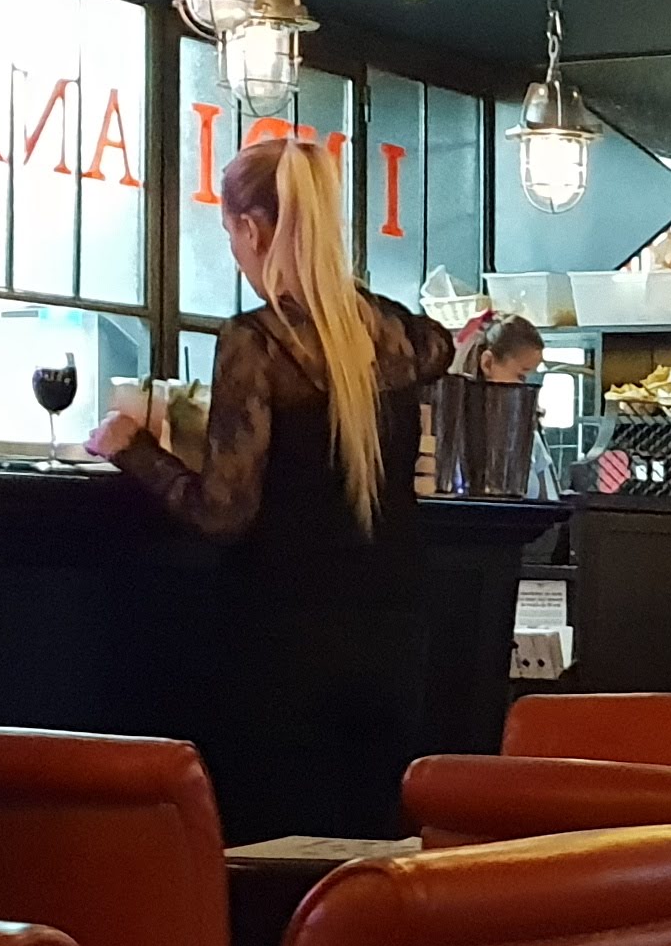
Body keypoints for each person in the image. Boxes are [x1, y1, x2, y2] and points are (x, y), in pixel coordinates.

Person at [92, 136, 457, 833]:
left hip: (287, 637)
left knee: (276, 845)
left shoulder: (256, 343)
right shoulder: (393, 333)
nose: (235, 251)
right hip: (395, 630)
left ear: (253, 230)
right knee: (371, 841)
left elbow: (224, 510)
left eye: (232, 235)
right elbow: (443, 346)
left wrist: (133, 449)